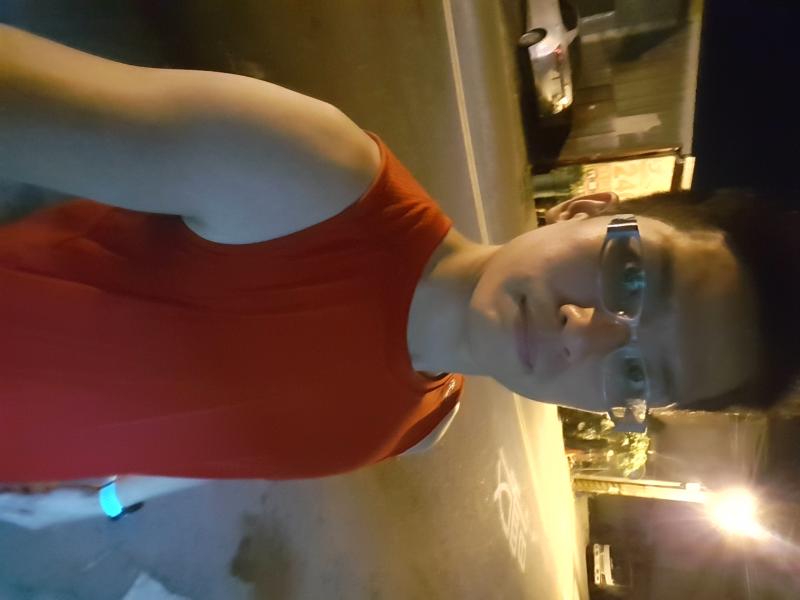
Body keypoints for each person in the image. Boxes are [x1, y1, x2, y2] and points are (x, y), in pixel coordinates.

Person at [1, 26, 798, 518]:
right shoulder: (306, 176)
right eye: (631, 279)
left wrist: (104, 497)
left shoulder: (419, 422)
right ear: (586, 208)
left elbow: (228, 443)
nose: (583, 337)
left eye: (636, 374)